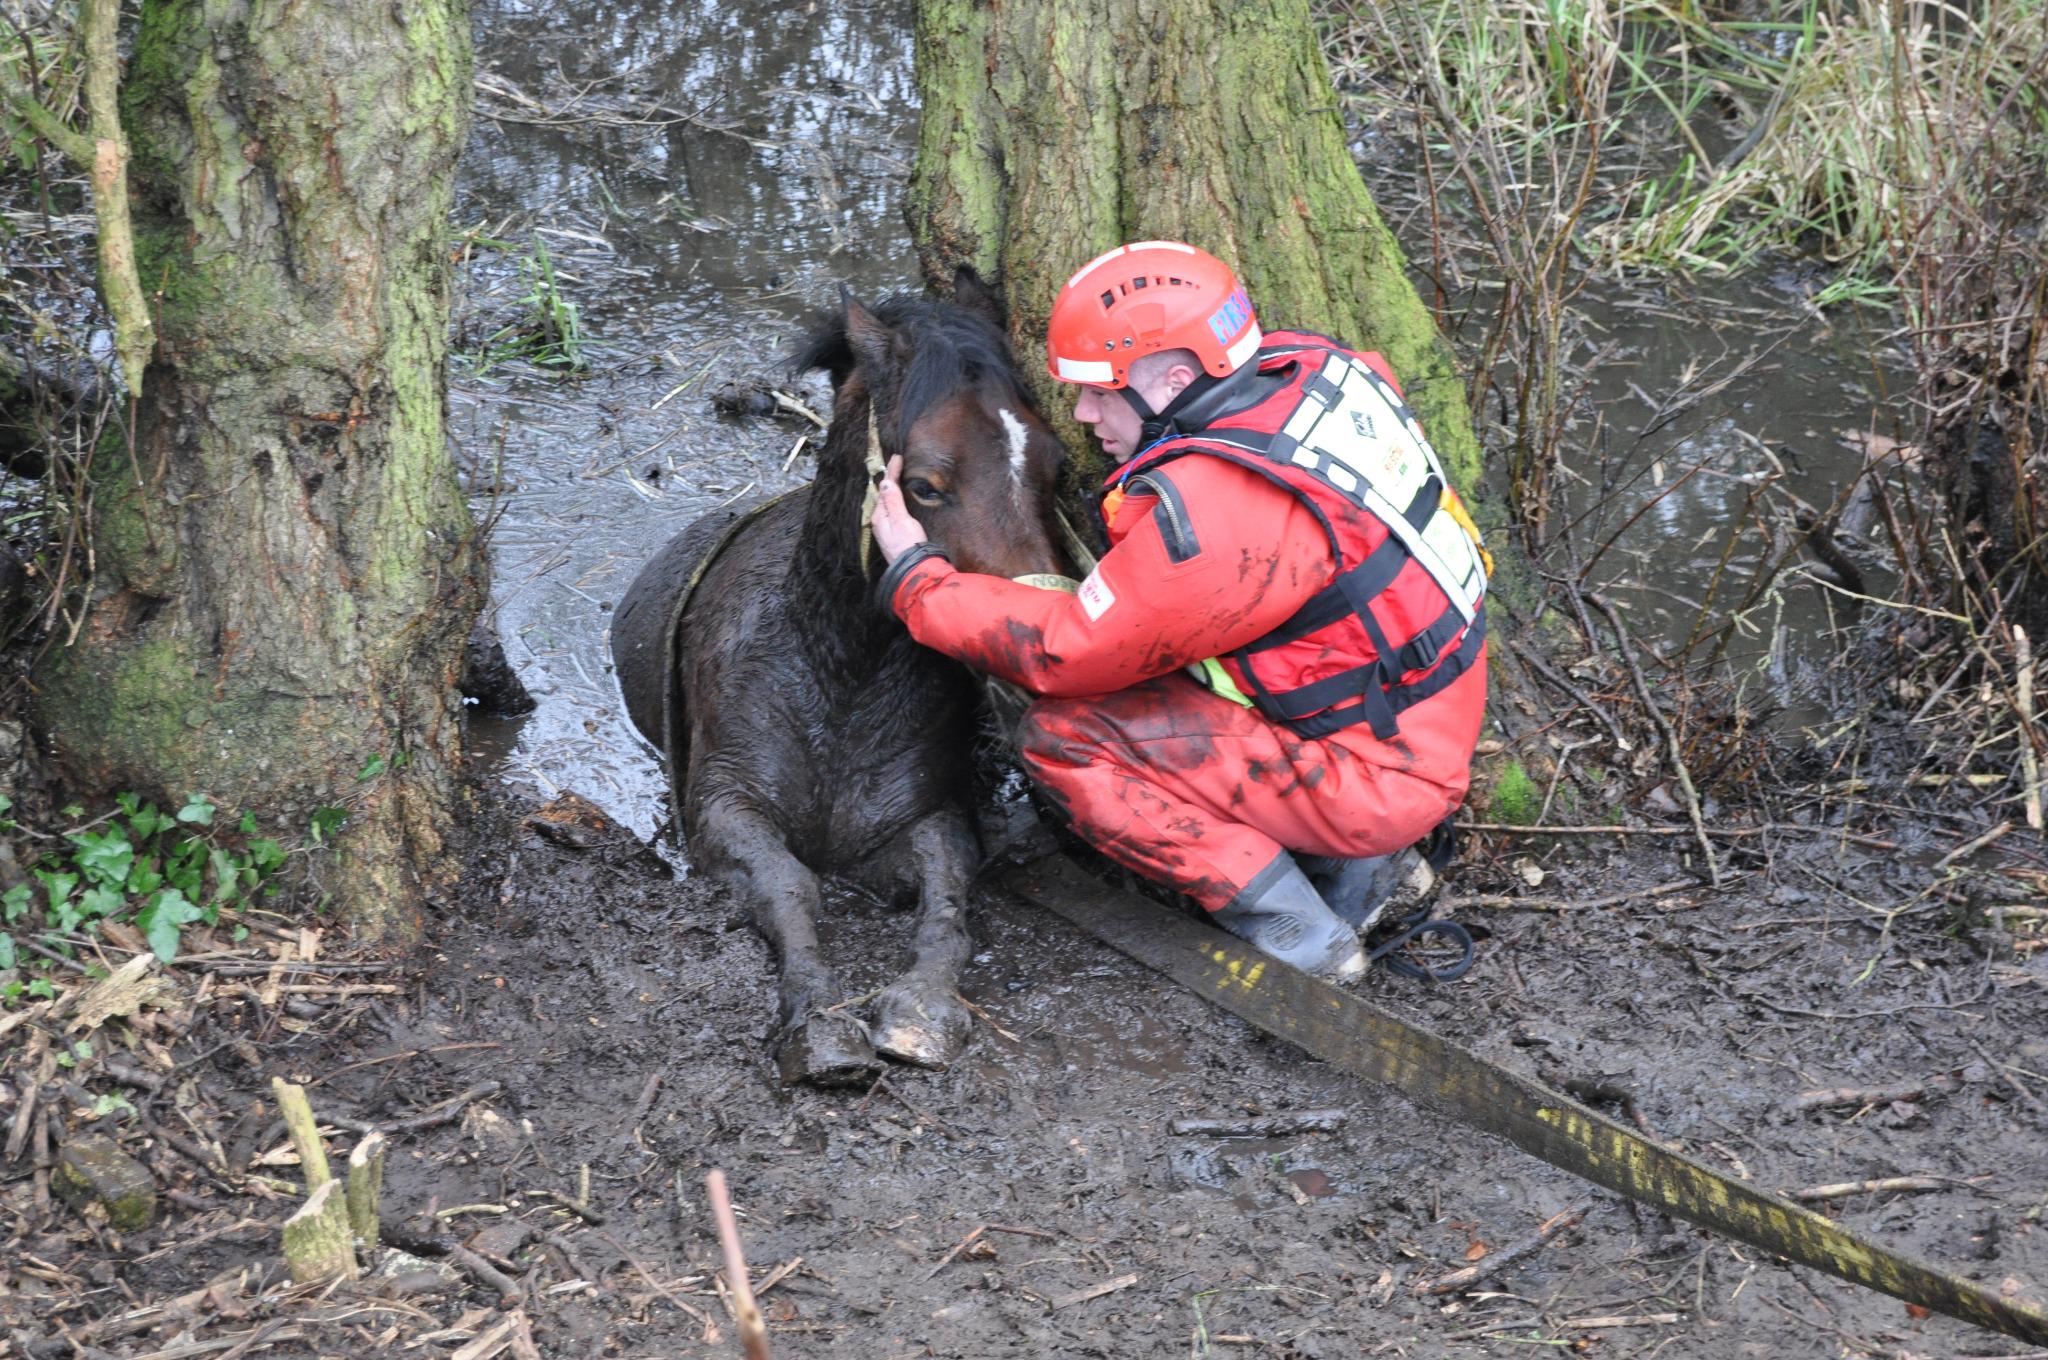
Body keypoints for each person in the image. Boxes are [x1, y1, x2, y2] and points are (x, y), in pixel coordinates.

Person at [871, 240, 1489, 982]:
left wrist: (917, 578)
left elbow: (1064, 652)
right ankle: (1372, 872)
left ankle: (1302, 938)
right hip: (1420, 719)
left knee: (1065, 734)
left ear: (1172, 377)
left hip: (1377, 775)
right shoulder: (1319, 372)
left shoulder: (1220, 517)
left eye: (1100, 392)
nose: (1081, 411)